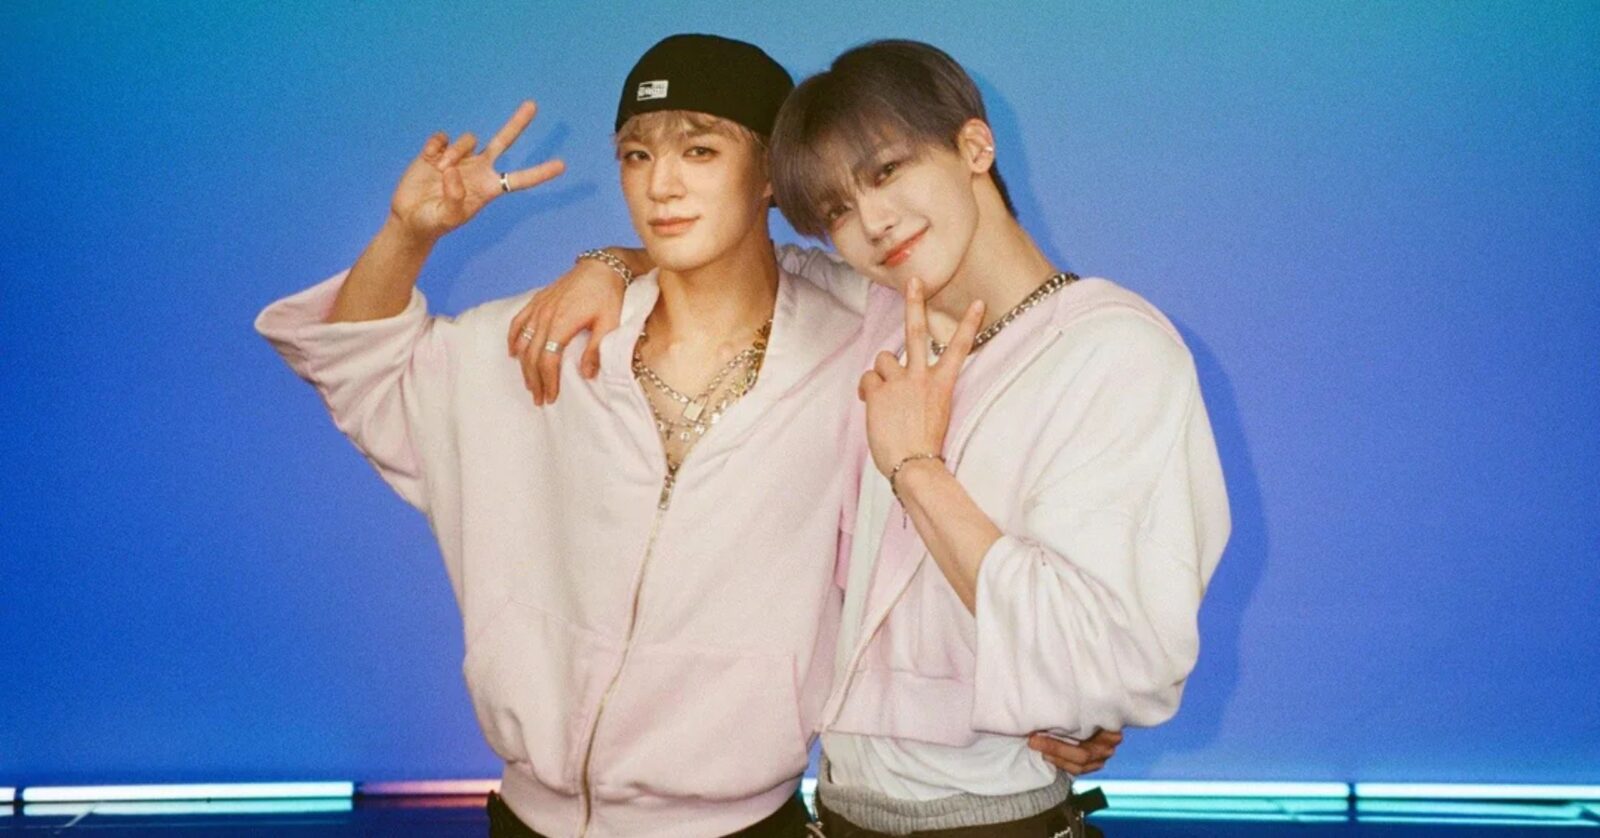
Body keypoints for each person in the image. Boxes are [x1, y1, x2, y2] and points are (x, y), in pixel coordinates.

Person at [257, 33, 1113, 838]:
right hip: (526, 815)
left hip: (745, 822)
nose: (660, 184)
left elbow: (979, 496)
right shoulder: (548, 338)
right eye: (637, 155)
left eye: (699, 151)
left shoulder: (866, 343)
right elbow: (362, 366)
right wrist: (410, 235)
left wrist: (1057, 692)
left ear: (771, 174)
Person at [520, 39, 1228, 838]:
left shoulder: (1115, 351)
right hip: (839, 812)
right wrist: (608, 263)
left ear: (974, 145)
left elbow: (1104, 662)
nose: (873, 224)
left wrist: (916, 466)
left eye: (887, 171)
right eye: (837, 212)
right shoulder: (877, 310)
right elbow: (725, 257)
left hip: (996, 821)